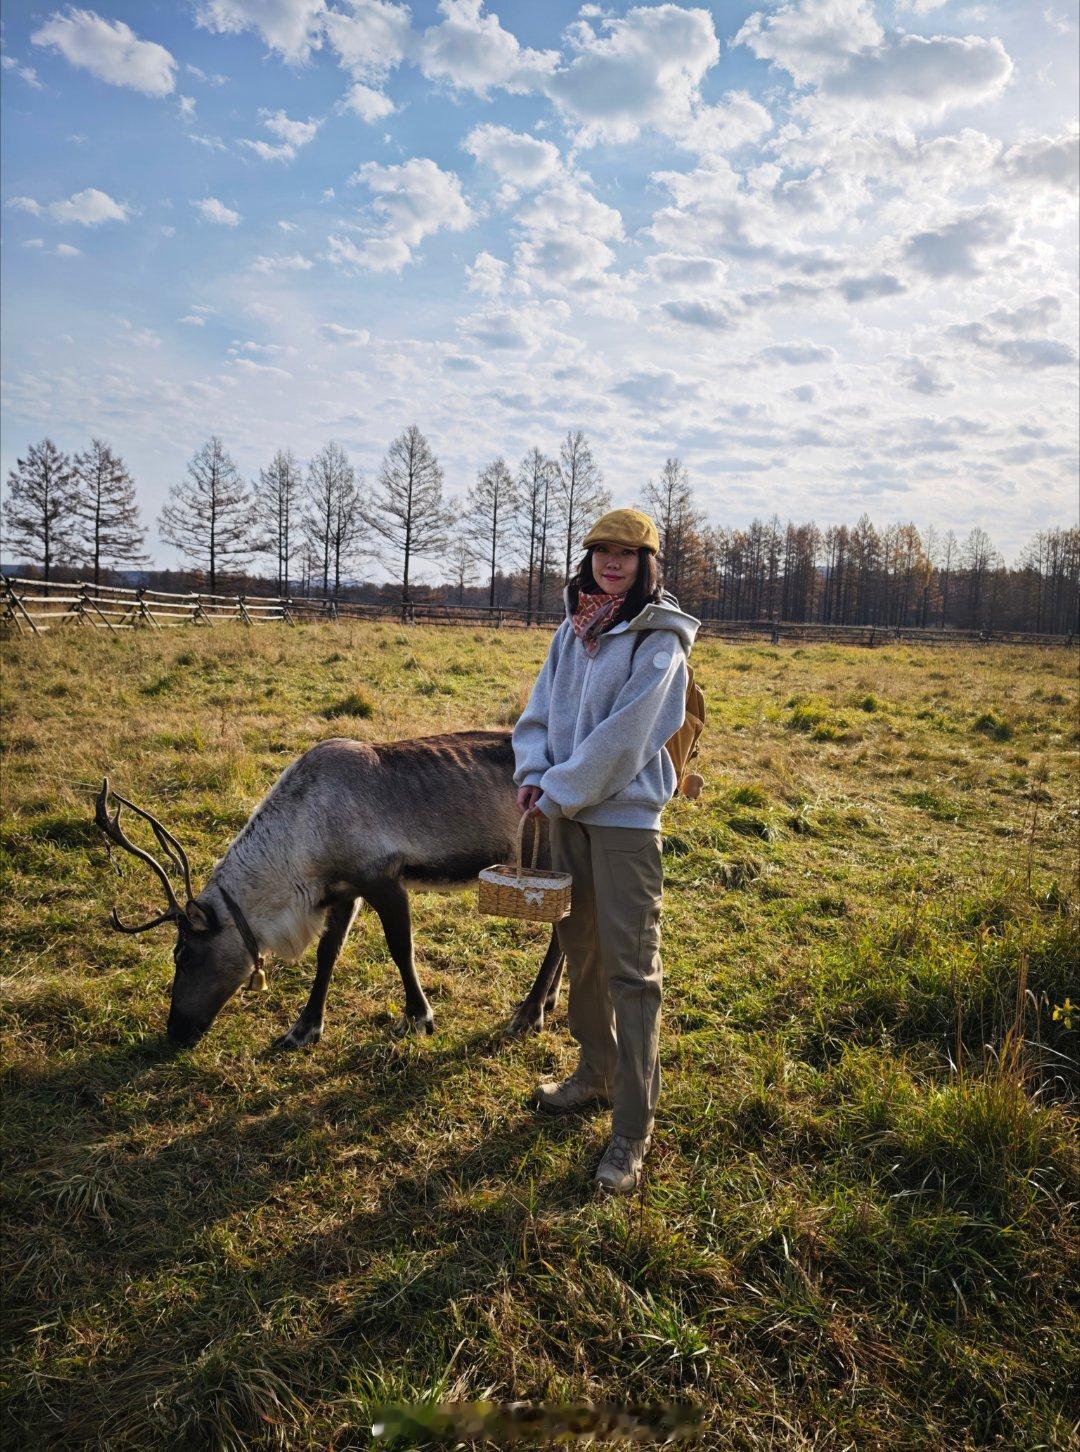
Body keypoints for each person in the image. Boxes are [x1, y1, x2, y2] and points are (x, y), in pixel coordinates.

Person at [511, 508, 701, 1193]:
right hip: (567, 814)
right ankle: (594, 1072)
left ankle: (631, 1129)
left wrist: (558, 788)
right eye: (601, 552)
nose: (611, 563)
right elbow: (536, 714)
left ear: (647, 564)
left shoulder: (659, 640)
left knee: (631, 972)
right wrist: (534, 774)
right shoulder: (575, 628)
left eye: (626, 554)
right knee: (580, 950)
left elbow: (627, 738)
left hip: (623, 823)